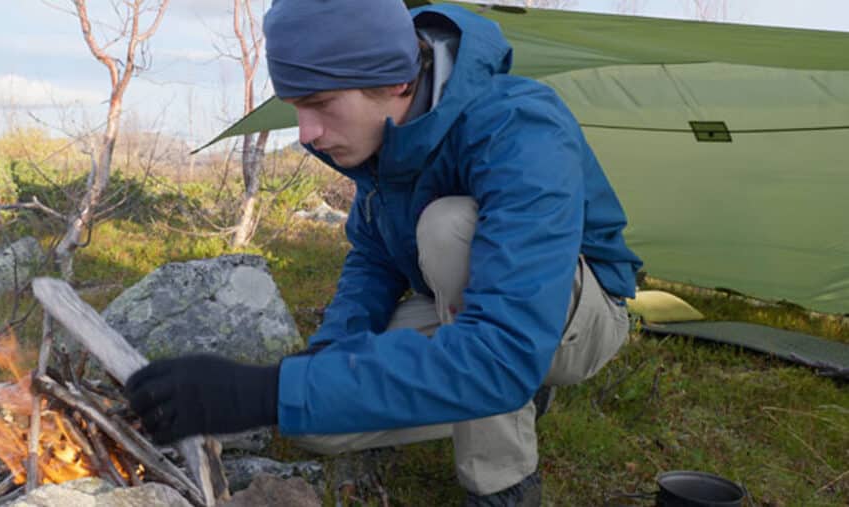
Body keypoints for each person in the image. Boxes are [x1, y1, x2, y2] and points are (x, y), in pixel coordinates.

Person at [125, 1, 643, 505]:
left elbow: (500, 344)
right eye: (297, 106)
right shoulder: (383, 143)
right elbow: (371, 262)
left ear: (397, 81)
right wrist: (321, 359)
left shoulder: (519, 127)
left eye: (321, 104)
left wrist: (260, 391)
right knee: (317, 418)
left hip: (573, 316)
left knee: (448, 231)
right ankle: (511, 390)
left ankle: (503, 482)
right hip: (476, 313)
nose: (306, 133)